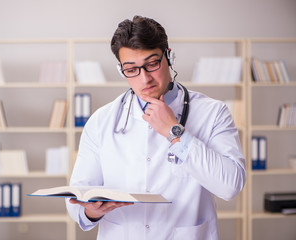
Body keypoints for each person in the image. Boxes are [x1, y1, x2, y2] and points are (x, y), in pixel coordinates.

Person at [66, 15, 246, 240]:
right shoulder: (101, 121)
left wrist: (175, 132)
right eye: (131, 69)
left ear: (168, 56)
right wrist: (89, 212)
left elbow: (231, 185)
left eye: (152, 64)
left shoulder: (213, 113)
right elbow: (77, 196)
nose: (144, 79)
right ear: (121, 69)